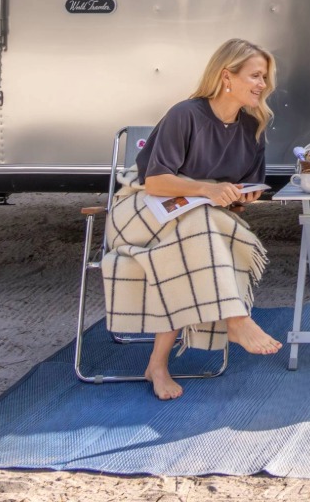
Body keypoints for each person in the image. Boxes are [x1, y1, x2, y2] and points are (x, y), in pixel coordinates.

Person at [104, 38, 283, 400]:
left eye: (265, 77)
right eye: (255, 75)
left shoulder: (253, 127)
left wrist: (241, 196)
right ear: (226, 76)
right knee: (199, 225)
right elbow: (154, 181)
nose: (263, 84)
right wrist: (207, 190)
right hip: (140, 210)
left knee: (198, 232)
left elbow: (242, 187)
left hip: (191, 220)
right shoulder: (186, 114)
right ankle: (235, 319)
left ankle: (157, 364)